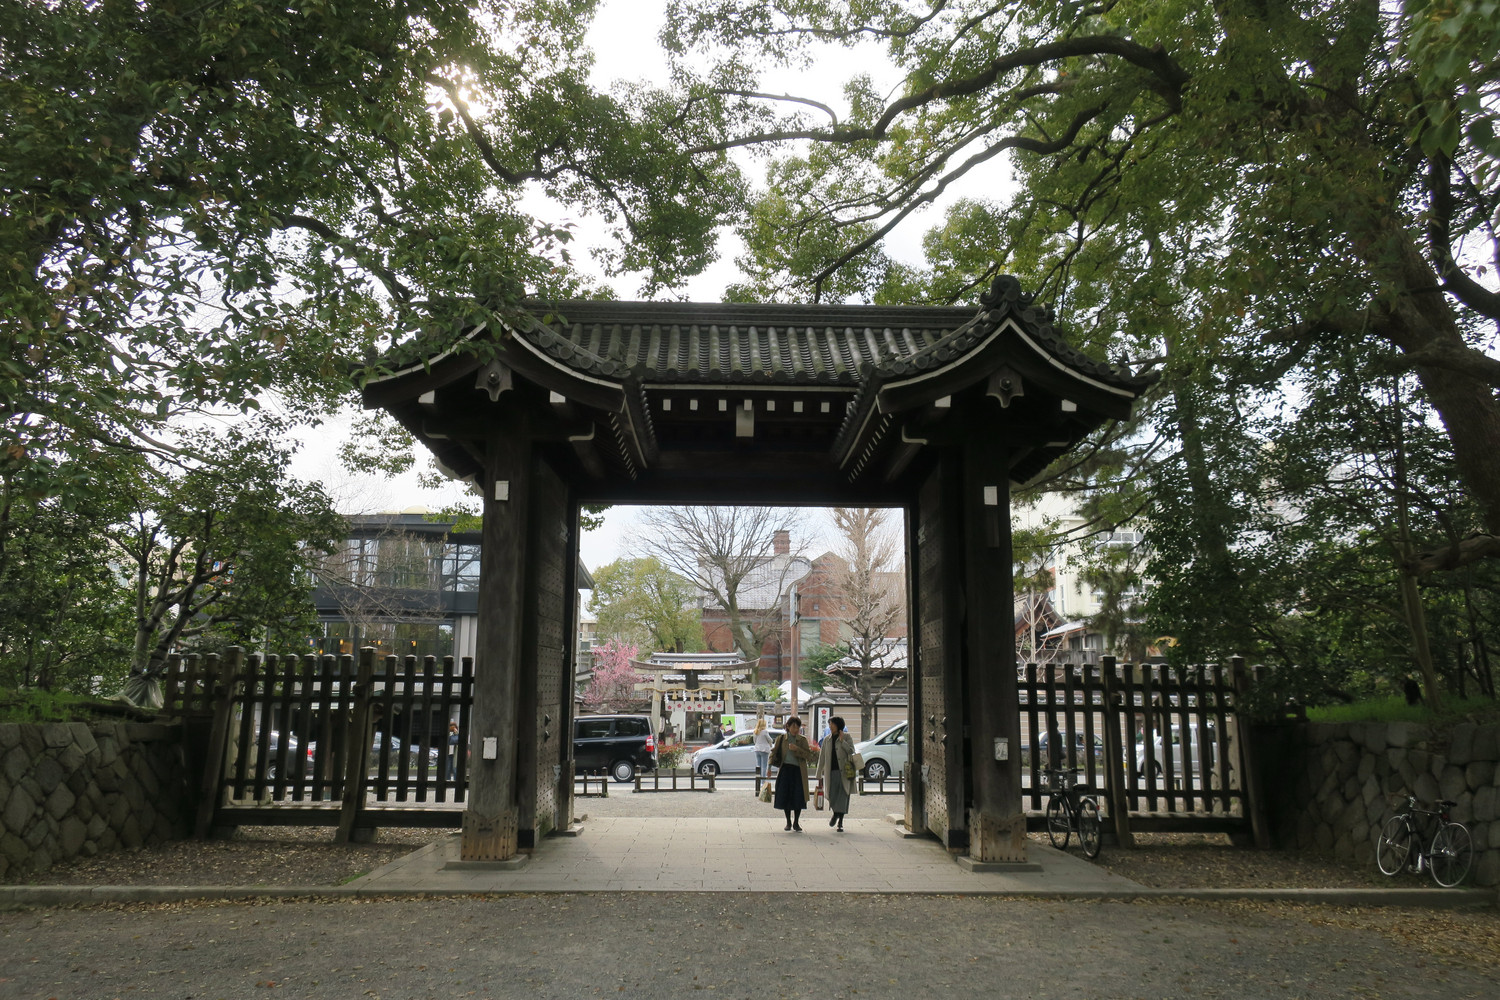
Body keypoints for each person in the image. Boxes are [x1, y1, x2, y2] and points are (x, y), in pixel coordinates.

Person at [770, 716, 816, 831]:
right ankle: (788, 822)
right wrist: (769, 768)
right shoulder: (781, 739)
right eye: (793, 727)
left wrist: (797, 749)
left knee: (798, 796)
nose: (795, 730)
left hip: (798, 771)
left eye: (797, 727)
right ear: (788, 726)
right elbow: (774, 752)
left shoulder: (802, 740)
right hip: (785, 770)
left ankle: (796, 822)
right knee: (785, 796)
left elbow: (809, 756)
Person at [816, 715, 857, 832]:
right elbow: (822, 757)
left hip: (844, 772)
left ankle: (840, 822)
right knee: (832, 795)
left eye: (832, 724)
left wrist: (842, 741)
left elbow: (851, 751)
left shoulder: (847, 737)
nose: (830, 726)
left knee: (843, 797)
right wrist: (818, 774)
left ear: (838, 725)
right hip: (831, 772)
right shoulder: (827, 739)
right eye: (830, 724)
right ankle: (835, 813)